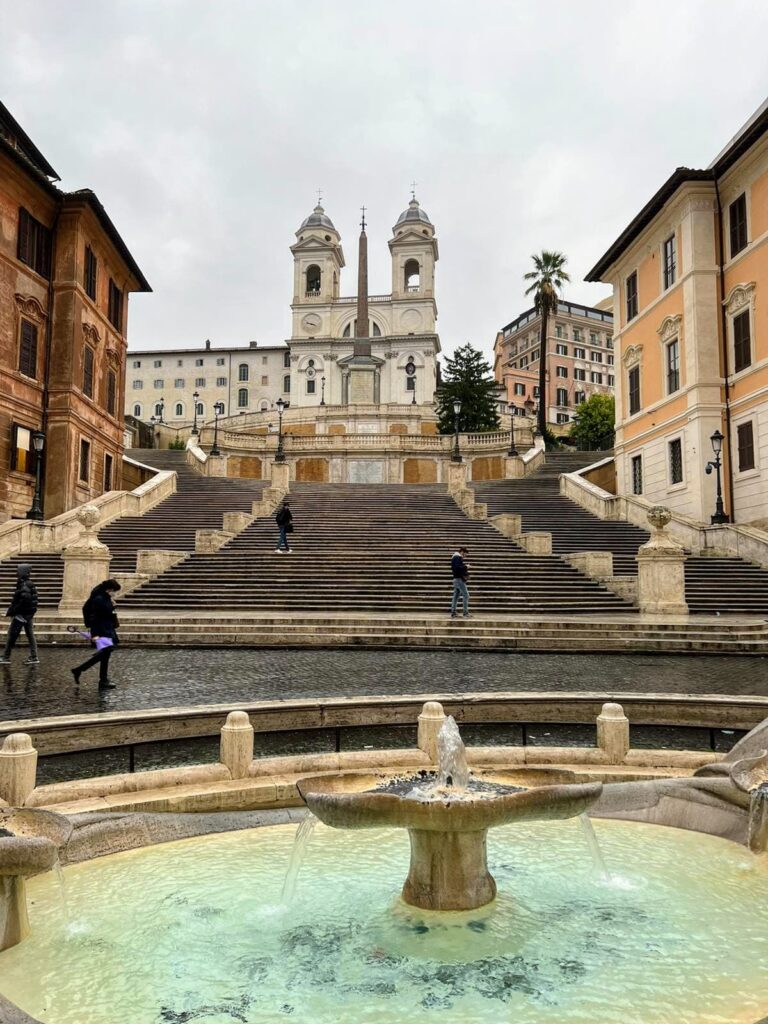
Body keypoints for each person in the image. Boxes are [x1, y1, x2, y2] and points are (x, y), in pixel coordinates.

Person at [71, 579, 121, 689]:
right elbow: (100, 614)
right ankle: (79, 670)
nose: (115, 593)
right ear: (110, 589)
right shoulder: (99, 599)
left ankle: (103, 680)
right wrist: (113, 606)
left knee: (106, 653)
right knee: (107, 651)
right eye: (114, 591)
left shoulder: (102, 597)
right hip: (101, 629)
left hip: (106, 628)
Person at [0, 564, 39, 665]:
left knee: (11, 635)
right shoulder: (28, 583)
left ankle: (6, 657)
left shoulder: (24, 585)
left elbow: (23, 600)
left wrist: (12, 611)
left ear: (22, 572)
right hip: (28, 615)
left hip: (21, 615)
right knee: (30, 635)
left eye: (18, 571)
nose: (16, 572)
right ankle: (34, 657)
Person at [450, 546, 470, 619]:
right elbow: (457, 568)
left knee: (456, 596)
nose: (465, 556)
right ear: (462, 552)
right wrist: (465, 567)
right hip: (458, 579)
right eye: (465, 554)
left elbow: (456, 568)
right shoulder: (457, 557)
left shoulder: (455, 557)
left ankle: (453, 612)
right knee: (466, 595)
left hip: (456, 579)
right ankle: (465, 613)